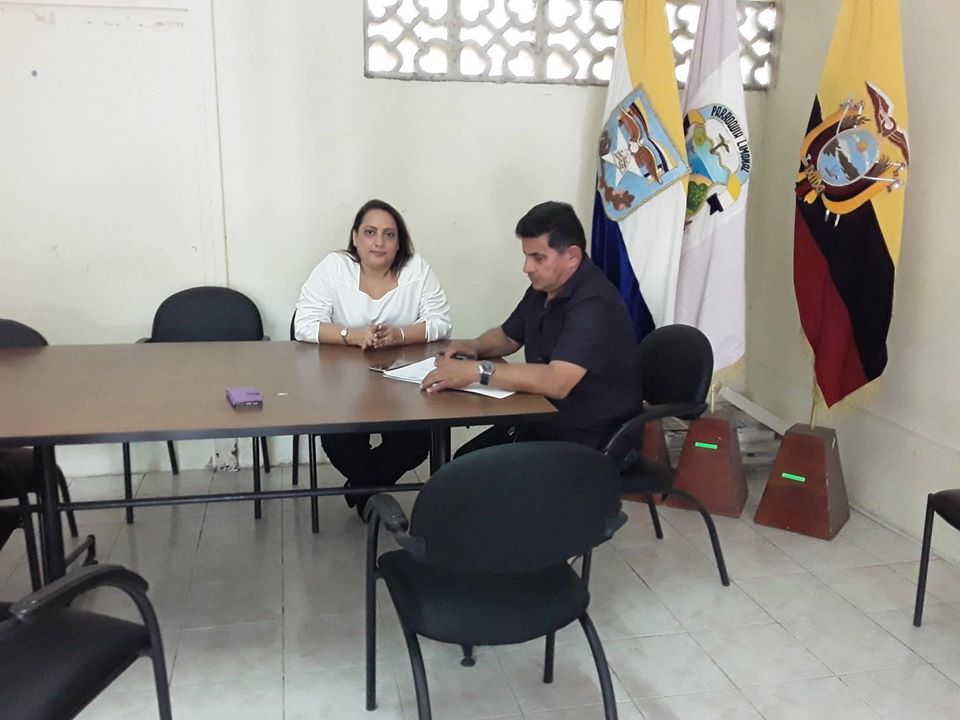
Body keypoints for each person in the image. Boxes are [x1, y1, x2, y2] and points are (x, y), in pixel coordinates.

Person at [422, 200, 641, 454]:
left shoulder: (594, 303)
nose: (527, 268)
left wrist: (475, 371)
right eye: (526, 256)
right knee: (465, 458)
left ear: (572, 256)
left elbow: (557, 381)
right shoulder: (544, 288)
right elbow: (508, 336)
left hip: (590, 439)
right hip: (542, 419)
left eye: (538, 258)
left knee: (472, 471)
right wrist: (474, 346)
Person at [294, 199, 452, 516]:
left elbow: (441, 322)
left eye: (389, 234)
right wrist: (352, 335)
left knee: (417, 442)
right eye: (370, 232)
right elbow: (304, 325)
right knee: (339, 441)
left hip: (402, 385)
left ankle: (362, 490)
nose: (379, 242)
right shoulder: (335, 267)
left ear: (399, 242)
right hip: (341, 384)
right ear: (355, 237)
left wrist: (400, 335)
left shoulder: (416, 269)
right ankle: (371, 496)